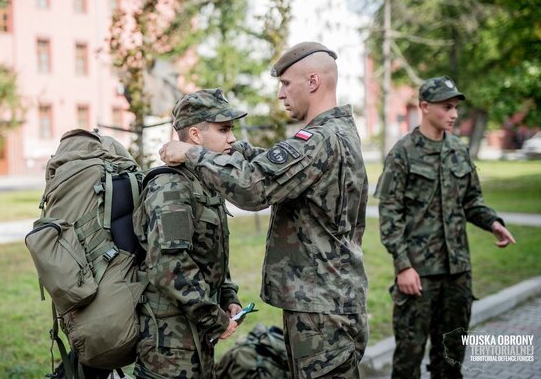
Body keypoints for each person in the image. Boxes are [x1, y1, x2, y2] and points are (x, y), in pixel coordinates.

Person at [159, 42, 369, 378]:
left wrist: (192, 153)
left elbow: (252, 188)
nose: (280, 95)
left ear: (313, 81)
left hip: (321, 310)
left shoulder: (317, 140)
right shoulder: (337, 133)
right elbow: (277, 167)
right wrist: (235, 147)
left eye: (286, 84)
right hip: (331, 301)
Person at [374, 76, 516, 379]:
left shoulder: (458, 150)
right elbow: (389, 214)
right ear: (424, 107)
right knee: (407, 362)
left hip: (457, 275)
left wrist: (493, 223)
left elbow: (471, 200)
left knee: (450, 361)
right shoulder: (403, 153)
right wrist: (402, 266)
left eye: (455, 108)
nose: (453, 114)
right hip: (418, 275)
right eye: (446, 107)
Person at [133, 88, 246, 379]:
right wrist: (214, 318)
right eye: (224, 130)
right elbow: (169, 266)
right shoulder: (172, 188)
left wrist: (227, 295)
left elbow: (210, 251)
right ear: (195, 135)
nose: (231, 139)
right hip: (170, 346)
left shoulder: (202, 182)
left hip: (195, 335)